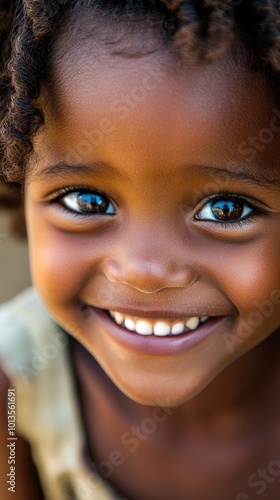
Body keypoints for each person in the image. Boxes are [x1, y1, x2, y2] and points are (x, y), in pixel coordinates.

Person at [0, 1, 280, 499]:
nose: (144, 272)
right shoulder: (14, 393)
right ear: (19, 184)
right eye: (87, 201)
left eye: (227, 210)